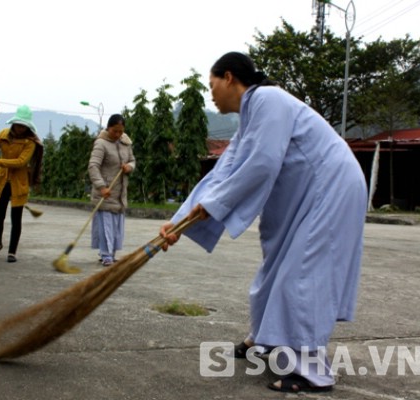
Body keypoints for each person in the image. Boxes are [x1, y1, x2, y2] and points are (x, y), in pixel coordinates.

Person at [160, 52, 367, 393]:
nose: (211, 94)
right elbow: (226, 169)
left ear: (229, 77)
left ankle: (312, 371)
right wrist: (179, 220)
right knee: (276, 267)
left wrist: (210, 208)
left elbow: (261, 163)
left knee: (303, 273)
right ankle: (264, 341)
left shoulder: (269, 99)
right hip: (311, 194)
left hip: (332, 188)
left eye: (211, 85)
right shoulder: (252, 113)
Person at [0, 105, 43, 263]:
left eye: (23, 125)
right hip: (2, 180)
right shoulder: (3, 135)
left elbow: (21, 162)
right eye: (18, 124)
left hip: (18, 182)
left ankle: (12, 251)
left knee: (16, 218)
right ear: (14, 123)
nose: (20, 128)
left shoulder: (30, 142)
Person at [88, 114, 135, 266]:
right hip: (106, 194)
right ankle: (105, 254)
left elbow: (132, 160)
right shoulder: (101, 144)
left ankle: (111, 254)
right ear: (108, 128)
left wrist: (129, 167)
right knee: (105, 226)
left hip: (119, 194)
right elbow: (93, 166)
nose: (118, 135)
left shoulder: (125, 143)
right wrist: (101, 186)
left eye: (121, 131)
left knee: (115, 228)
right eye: (115, 131)